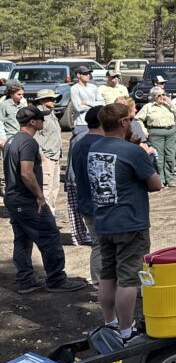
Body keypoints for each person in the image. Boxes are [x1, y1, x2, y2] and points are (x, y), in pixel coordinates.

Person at [89, 102, 162, 340]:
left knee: (108, 274)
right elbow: (155, 184)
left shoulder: (93, 147)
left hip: (103, 220)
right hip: (130, 221)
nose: (132, 122)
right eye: (130, 119)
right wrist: (145, 155)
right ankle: (126, 330)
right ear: (123, 122)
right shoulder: (132, 151)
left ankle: (109, 322)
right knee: (129, 278)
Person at [3, 106, 86, 294]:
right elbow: (26, 172)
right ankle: (56, 279)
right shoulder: (28, 143)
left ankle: (26, 281)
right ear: (33, 122)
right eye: (41, 118)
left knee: (22, 239)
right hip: (26, 200)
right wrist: (40, 195)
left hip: (13, 198)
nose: (44, 121)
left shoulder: (12, 140)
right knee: (50, 236)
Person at [69, 106, 105, 284]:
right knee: (106, 245)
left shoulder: (78, 142)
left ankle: (98, 281)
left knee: (98, 244)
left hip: (85, 201)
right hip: (102, 204)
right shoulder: (102, 145)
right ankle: (101, 281)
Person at [136, 87, 176, 187]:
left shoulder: (168, 105)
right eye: (159, 95)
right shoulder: (148, 107)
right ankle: (160, 179)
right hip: (155, 133)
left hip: (170, 132)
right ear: (153, 97)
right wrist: (143, 130)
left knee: (170, 155)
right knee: (159, 157)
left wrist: (170, 103)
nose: (162, 97)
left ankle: (169, 178)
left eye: (163, 94)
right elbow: (138, 119)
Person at [30, 89, 63, 210]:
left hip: (55, 155)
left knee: (55, 187)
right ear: (43, 100)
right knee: (46, 188)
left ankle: (51, 214)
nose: (54, 101)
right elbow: (34, 137)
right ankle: (44, 216)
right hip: (46, 157)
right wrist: (42, 155)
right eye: (51, 99)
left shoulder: (50, 112)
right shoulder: (38, 115)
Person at [69, 65, 106, 136]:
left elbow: (102, 104)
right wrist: (95, 106)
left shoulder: (94, 87)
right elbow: (78, 108)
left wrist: (87, 102)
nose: (88, 75)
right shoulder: (74, 89)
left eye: (89, 73)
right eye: (85, 74)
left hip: (96, 122)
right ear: (78, 75)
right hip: (81, 123)